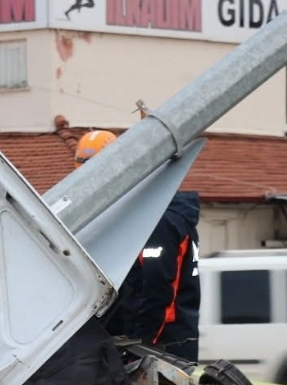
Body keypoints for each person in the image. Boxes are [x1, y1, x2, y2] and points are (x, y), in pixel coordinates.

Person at [74, 130, 202, 361]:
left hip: (161, 344)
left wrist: (139, 348)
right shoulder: (143, 216)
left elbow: (157, 290)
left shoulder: (157, 220)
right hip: (150, 340)